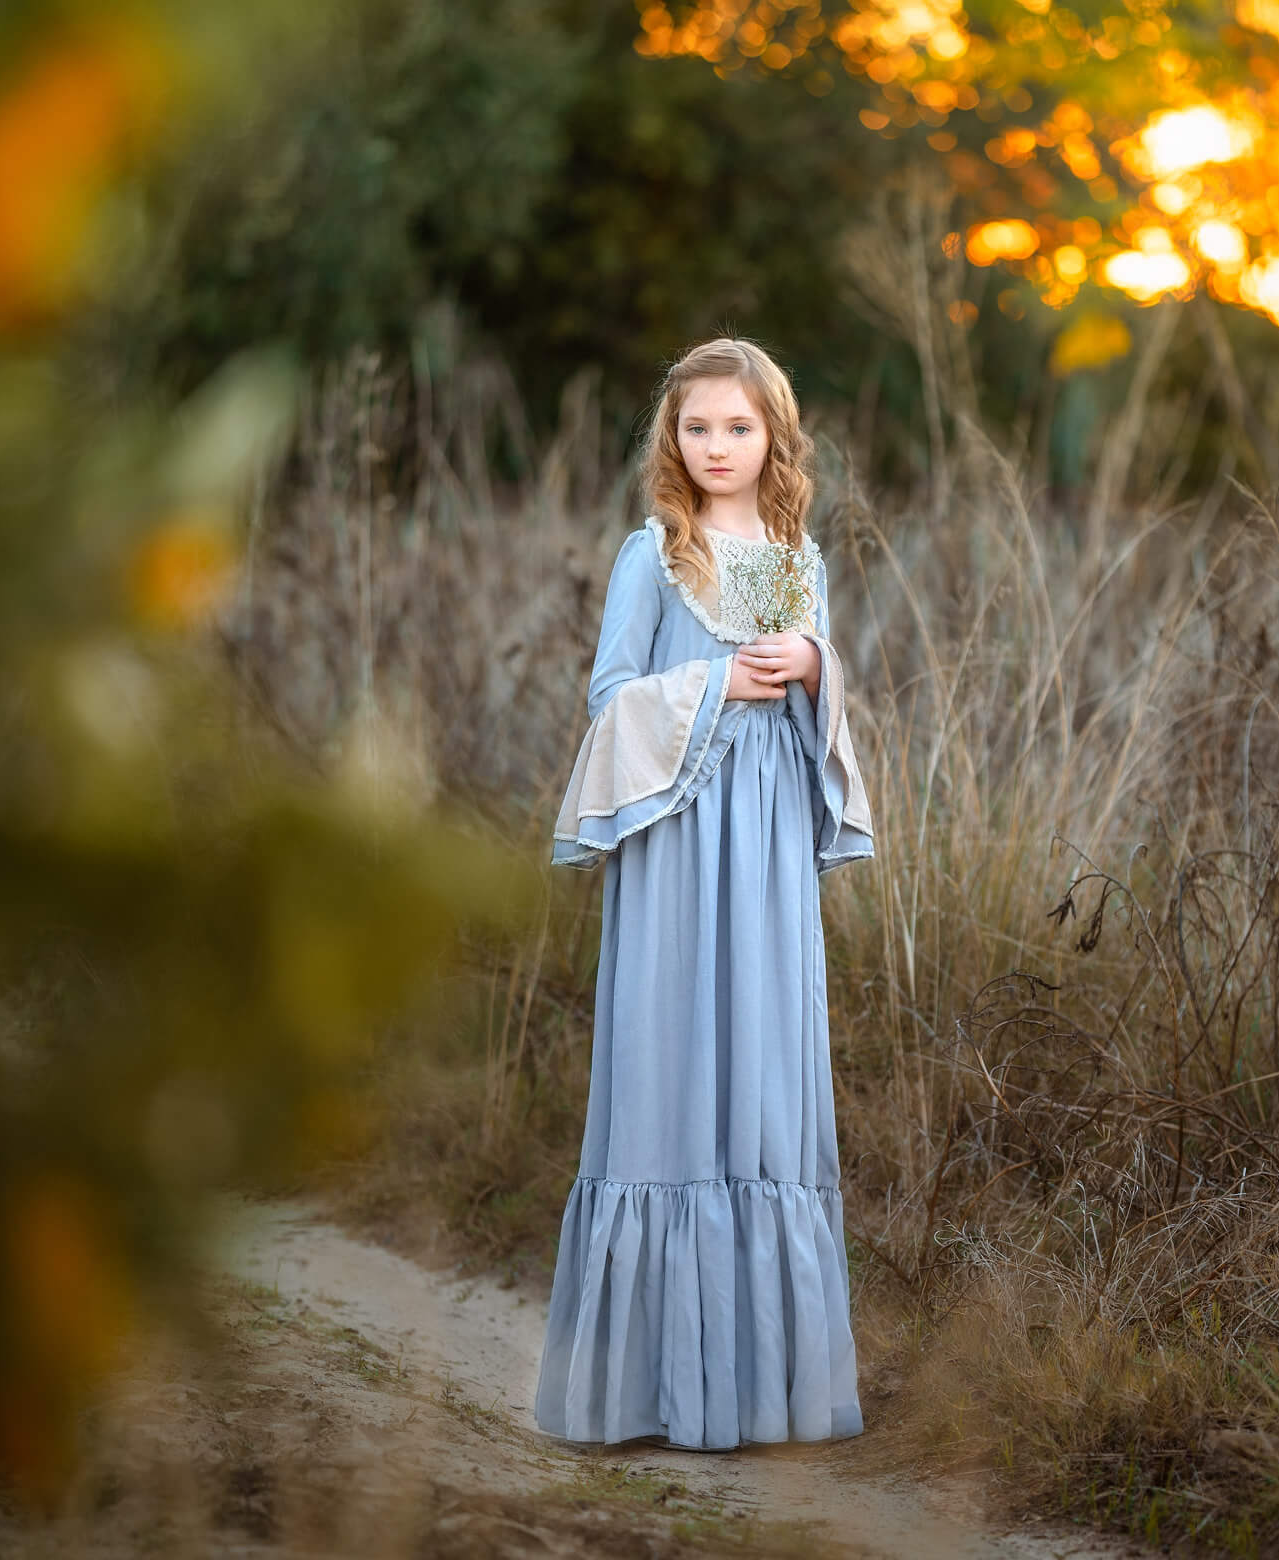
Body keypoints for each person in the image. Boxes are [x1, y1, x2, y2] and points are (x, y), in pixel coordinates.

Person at [533, 337, 876, 1450]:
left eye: (737, 427)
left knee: (764, 1075)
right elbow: (610, 698)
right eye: (696, 428)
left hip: (766, 838)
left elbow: (810, 677)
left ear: (773, 436)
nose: (716, 447)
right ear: (670, 441)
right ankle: (650, 1392)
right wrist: (714, 680)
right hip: (680, 840)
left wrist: (815, 669)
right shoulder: (655, 553)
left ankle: (765, 1389)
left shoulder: (791, 553)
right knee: (671, 1068)